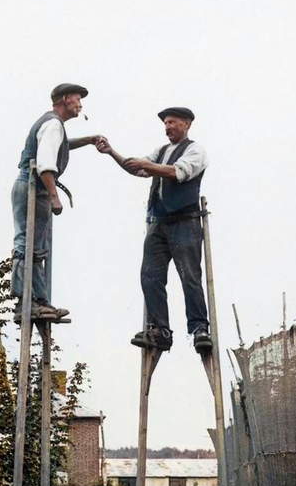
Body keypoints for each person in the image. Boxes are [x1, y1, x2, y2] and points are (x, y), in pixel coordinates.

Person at [95, 106, 212, 352]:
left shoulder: (195, 150)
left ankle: (200, 328)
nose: (168, 127)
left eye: (172, 122)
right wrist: (112, 153)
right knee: (150, 276)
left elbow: (178, 172)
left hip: (184, 222)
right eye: (166, 123)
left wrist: (147, 166)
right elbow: (136, 168)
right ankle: (160, 329)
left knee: (189, 276)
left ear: (187, 124)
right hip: (158, 224)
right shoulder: (161, 151)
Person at [11, 82, 106, 323]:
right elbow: (45, 163)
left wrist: (88, 140)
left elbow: (60, 144)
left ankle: (39, 301)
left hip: (33, 186)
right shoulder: (53, 124)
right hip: (35, 187)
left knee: (36, 245)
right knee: (28, 244)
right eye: (77, 99)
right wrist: (54, 196)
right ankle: (28, 301)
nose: (80, 104)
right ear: (65, 99)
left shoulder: (54, 125)